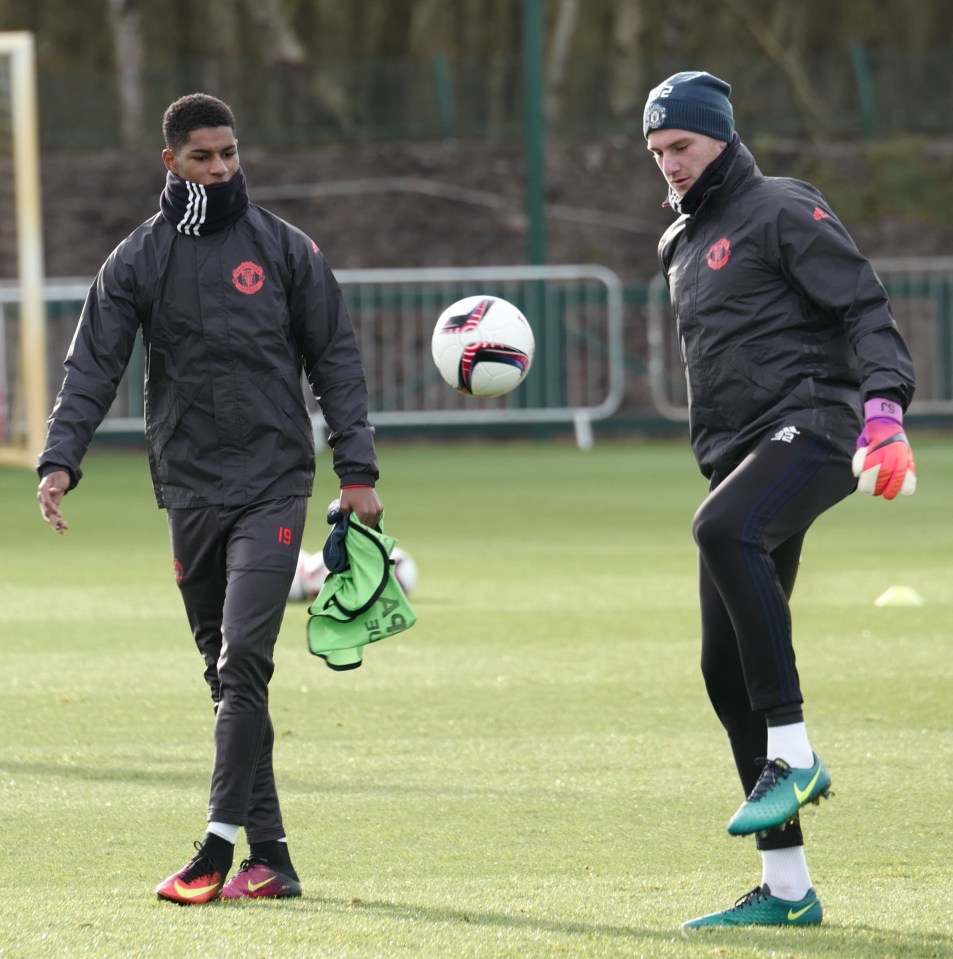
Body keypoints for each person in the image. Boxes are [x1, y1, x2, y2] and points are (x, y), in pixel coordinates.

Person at [36, 93, 382, 904]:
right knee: (224, 677)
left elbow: (336, 358)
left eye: (230, 154)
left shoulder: (286, 249)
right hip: (189, 486)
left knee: (244, 660)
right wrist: (60, 459)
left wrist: (356, 470)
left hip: (273, 482)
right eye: (203, 157)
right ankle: (277, 860)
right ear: (171, 162)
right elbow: (92, 367)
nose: (222, 169)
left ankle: (216, 848)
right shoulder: (136, 260)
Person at [643, 71, 917, 929]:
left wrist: (882, 410)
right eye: (656, 153)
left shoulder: (781, 205)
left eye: (680, 146)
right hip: (742, 456)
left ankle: (793, 754)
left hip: (818, 427)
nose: (669, 165)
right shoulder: (677, 243)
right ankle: (789, 891)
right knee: (723, 670)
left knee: (720, 529)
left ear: (720, 134)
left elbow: (863, 307)